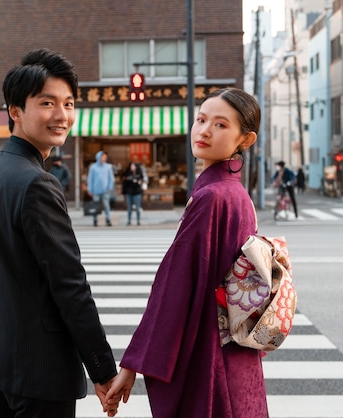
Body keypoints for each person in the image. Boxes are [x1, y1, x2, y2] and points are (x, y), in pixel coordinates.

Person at [0, 48, 120, 418]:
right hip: (39, 372)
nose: (62, 115)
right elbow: (70, 284)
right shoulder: (37, 183)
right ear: (15, 111)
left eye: (69, 103)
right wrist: (103, 369)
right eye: (47, 103)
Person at [105, 88, 269, 417]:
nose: (205, 130)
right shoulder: (234, 193)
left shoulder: (213, 197)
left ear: (245, 140)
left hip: (209, 350)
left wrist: (134, 362)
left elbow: (175, 287)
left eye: (221, 125)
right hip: (234, 350)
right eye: (201, 119)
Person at [87, 150, 114, 227]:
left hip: (105, 190)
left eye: (105, 157)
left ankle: (108, 219)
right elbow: (90, 179)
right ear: (98, 157)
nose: (104, 158)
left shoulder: (108, 167)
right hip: (95, 190)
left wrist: (109, 187)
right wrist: (90, 189)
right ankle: (95, 220)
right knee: (96, 206)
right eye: (102, 157)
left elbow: (111, 178)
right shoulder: (93, 167)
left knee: (106, 206)